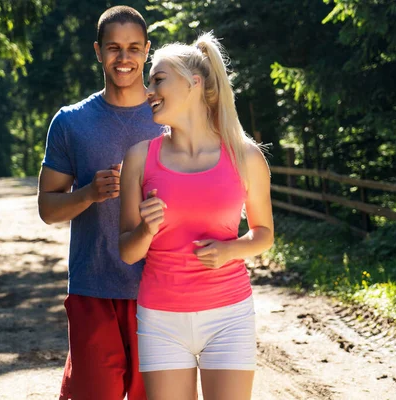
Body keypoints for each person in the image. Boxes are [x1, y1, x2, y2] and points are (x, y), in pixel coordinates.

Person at [118, 32, 274, 400]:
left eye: (158, 79)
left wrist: (229, 251)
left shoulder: (246, 156)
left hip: (229, 316)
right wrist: (146, 228)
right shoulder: (139, 158)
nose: (148, 89)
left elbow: (264, 233)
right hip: (160, 319)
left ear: (194, 82)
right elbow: (127, 252)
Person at [37, 5, 163, 400]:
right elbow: (47, 208)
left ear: (147, 50)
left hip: (160, 291)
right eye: (113, 48)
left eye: (132, 48)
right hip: (93, 288)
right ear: (97, 51)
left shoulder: (171, 115)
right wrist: (89, 192)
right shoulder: (71, 122)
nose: (123, 58)